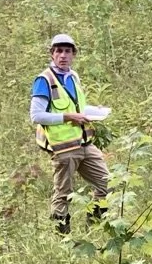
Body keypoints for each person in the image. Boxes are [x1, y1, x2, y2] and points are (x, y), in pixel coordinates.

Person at [30, 33, 108, 234]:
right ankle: (62, 239)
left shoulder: (73, 76)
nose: (63, 55)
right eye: (58, 51)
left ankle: (94, 228)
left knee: (107, 183)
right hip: (63, 148)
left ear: (74, 54)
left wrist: (92, 110)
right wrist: (68, 117)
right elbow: (37, 115)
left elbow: (75, 105)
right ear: (52, 54)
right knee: (63, 194)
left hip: (84, 143)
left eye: (67, 51)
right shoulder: (44, 80)